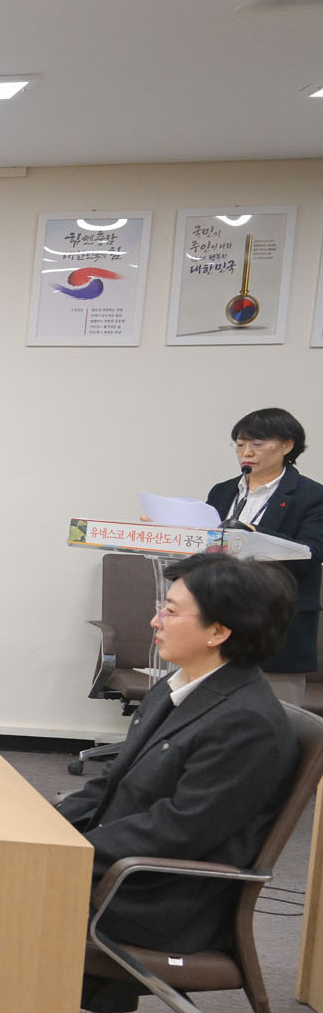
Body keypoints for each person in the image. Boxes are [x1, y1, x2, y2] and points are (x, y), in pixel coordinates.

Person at [55, 551, 298, 954]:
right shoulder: (179, 685)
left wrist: (67, 855)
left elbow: (175, 832)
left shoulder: (247, 724)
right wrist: (48, 831)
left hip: (152, 899)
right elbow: (115, 781)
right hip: (116, 868)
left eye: (169, 611)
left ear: (217, 632)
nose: (155, 621)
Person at [205, 407, 323, 703]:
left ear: (287, 445)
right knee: (215, 714)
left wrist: (254, 533)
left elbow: (312, 553)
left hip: (276, 622)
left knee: (276, 716)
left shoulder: (312, 496)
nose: (247, 452)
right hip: (219, 615)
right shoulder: (223, 492)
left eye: (257, 444)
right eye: (240, 444)